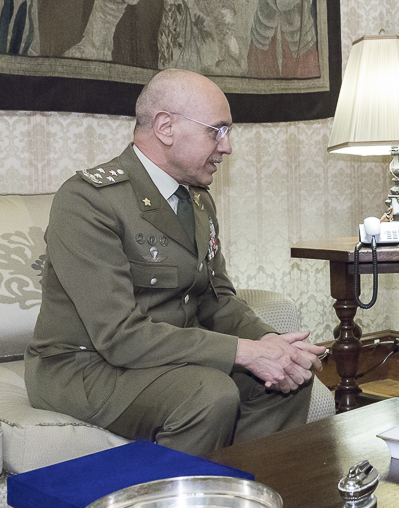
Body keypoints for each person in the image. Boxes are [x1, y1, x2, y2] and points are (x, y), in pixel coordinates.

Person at [25, 68, 325, 456]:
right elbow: (119, 336)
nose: (227, 146)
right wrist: (244, 352)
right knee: (209, 394)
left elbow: (218, 300)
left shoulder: (196, 199)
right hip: (85, 367)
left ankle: (244, 496)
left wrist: (269, 342)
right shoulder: (89, 202)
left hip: (168, 360)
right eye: (215, 131)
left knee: (289, 379)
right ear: (165, 127)